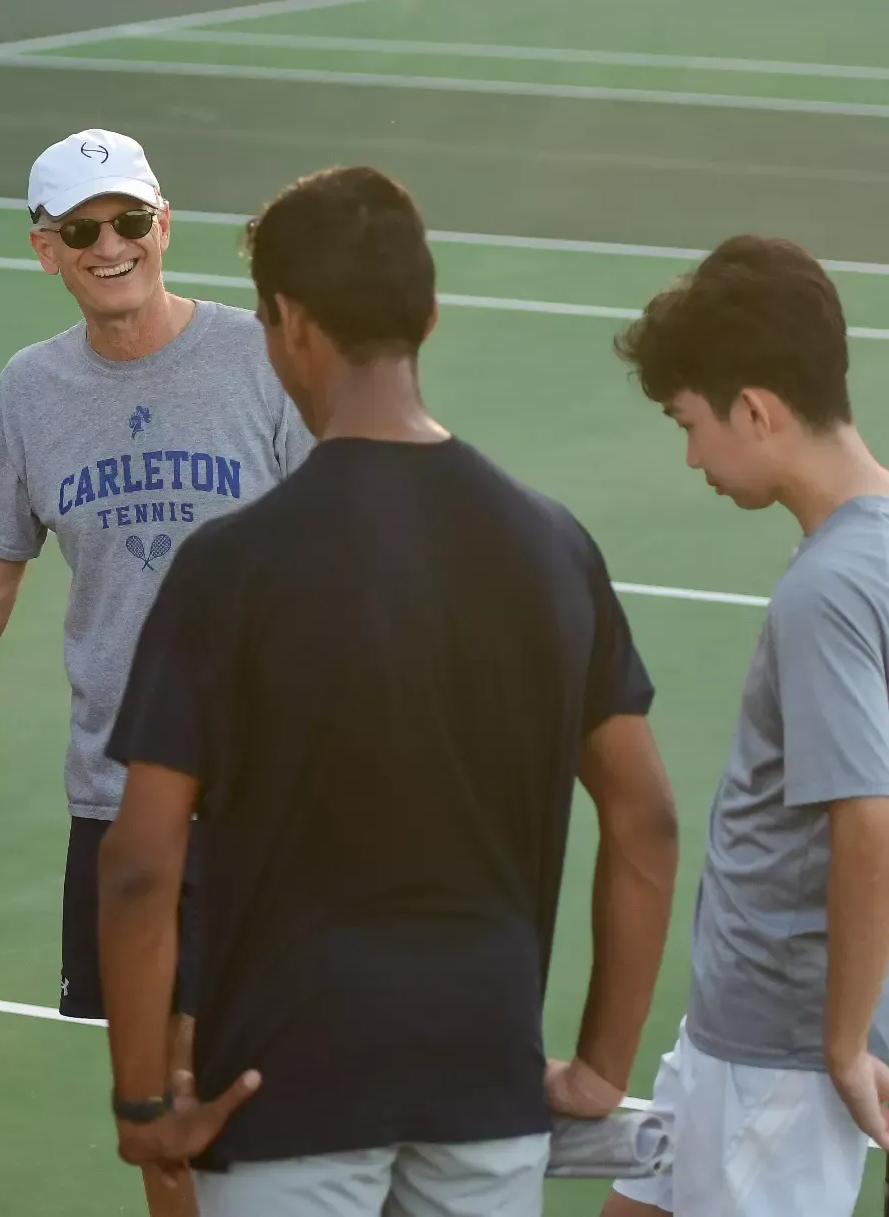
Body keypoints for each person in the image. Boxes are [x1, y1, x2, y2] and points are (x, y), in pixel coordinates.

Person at [98, 165, 683, 1217]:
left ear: (288, 324)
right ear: (428, 314)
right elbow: (645, 819)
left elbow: (141, 864)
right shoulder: (552, 546)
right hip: (484, 1089)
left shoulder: (228, 568)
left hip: (279, 1099)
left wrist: (142, 1101)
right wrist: (600, 1067)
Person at [0, 127, 310, 1214]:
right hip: (119, 799)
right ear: (44, 249)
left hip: (262, 795)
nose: (109, 245)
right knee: (154, 1113)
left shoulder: (262, 359)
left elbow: (340, 551)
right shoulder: (30, 392)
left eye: (129, 220)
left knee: (257, 1096)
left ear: (163, 225)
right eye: (81, 230)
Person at [604, 237, 889, 1217]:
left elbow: (867, 818)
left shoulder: (825, 591)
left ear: (756, 410)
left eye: (689, 422)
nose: (690, 455)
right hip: (738, 1024)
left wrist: (842, 1044)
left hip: (780, 1050)